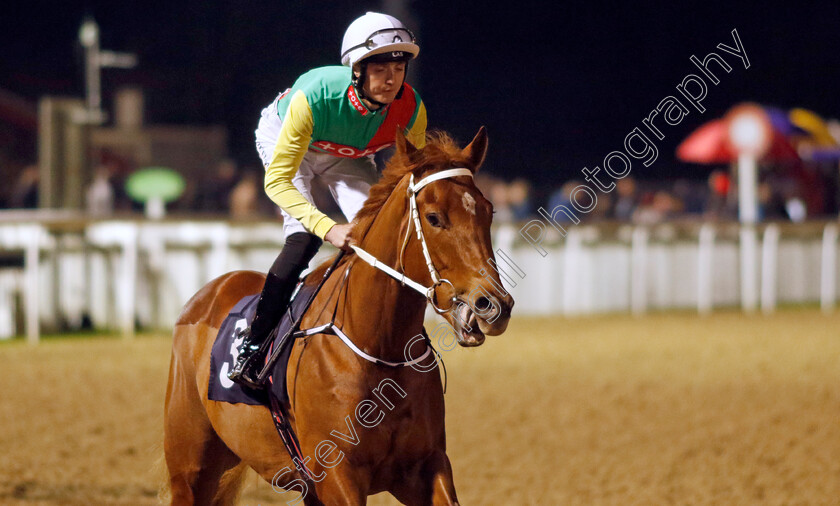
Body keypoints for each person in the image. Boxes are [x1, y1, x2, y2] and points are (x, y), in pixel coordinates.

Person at [228, 12, 427, 388]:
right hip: (288, 141)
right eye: (380, 67)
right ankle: (253, 345)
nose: (391, 79)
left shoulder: (412, 109)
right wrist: (327, 226)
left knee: (385, 234)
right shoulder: (314, 96)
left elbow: (405, 181)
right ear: (355, 69)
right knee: (304, 238)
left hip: (347, 155)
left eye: (399, 67)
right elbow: (278, 182)